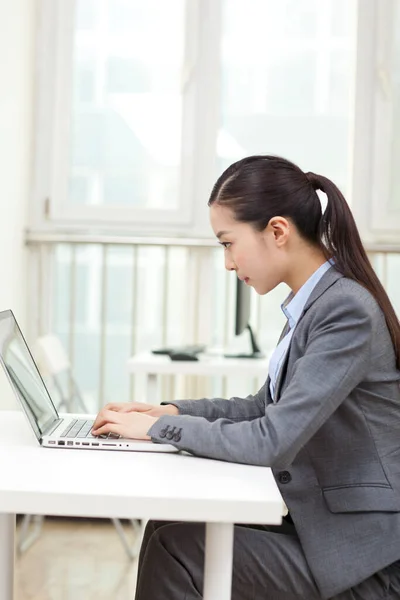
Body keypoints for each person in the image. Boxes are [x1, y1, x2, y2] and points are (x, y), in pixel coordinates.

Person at [92, 156, 400, 599]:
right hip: (325, 529)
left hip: (365, 564)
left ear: (277, 231)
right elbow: (264, 407)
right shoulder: (313, 303)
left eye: (227, 243)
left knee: (180, 549)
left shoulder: (343, 310)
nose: (227, 263)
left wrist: (160, 429)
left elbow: (272, 437)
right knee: (169, 523)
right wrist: (169, 411)